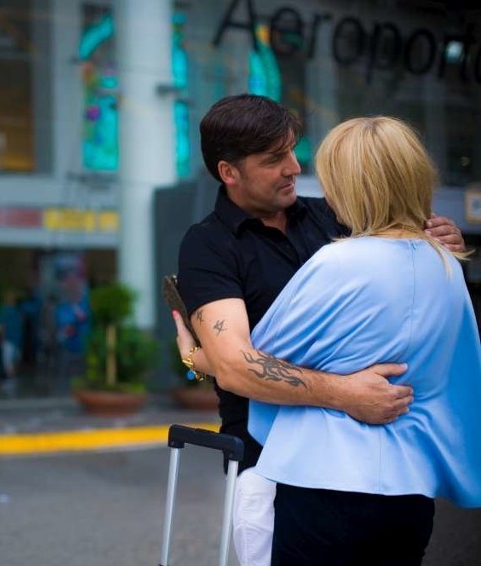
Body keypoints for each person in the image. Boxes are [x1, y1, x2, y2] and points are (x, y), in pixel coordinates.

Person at [171, 94, 465, 566]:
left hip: (390, 462)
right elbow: (235, 366)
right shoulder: (209, 245)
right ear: (229, 172)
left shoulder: (334, 216)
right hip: (278, 471)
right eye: (273, 159)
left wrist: (434, 239)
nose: (292, 167)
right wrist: (344, 393)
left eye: (293, 151)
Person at [247, 116, 481, 564]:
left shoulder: (337, 262)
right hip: (411, 489)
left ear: (355, 187)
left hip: (323, 481)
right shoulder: (448, 268)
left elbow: (261, 359)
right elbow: (460, 374)